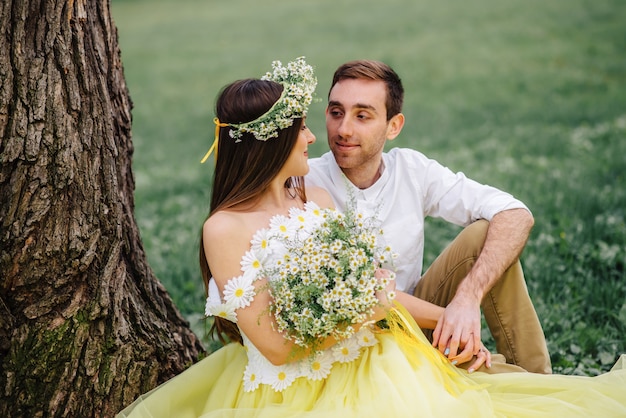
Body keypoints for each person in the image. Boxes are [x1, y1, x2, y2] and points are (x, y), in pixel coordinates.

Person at [116, 57, 626, 418]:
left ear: (392, 124)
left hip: (388, 328)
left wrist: (459, 311)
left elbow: (378, 287)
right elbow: (285, 338)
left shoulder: (319, 199)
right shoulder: (254, 212)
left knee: (485, 242)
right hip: (316, 363)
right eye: (328, 114)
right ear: (272, 142)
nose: (330, 130)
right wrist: (359, 310)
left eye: (362, 115)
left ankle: (528, 377)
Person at [306, 60, 550, 374]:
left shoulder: (411, 170)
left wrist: (467, 298)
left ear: (394, 126)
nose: (344, 130)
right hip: (342, 343)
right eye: (336, 112)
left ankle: (536, 375)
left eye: (362, 115)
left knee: (486, 232)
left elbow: (515, 214)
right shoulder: (305, 181)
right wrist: (448, 318)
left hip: (415, 324)